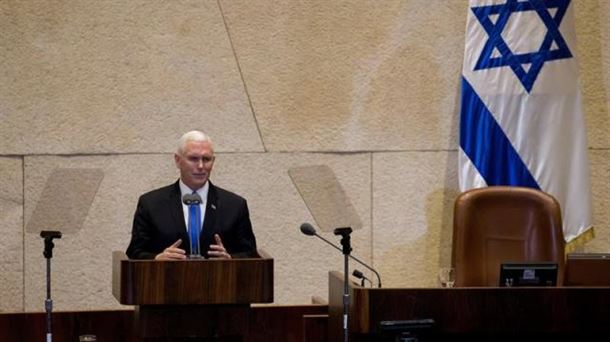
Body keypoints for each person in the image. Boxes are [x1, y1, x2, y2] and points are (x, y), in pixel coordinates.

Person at [126, 130, 257, 260]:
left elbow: (251, 254)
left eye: (206, 159)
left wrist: (230, 260)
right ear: (178, 160)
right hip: (167, 279)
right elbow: (134, 252)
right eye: (193, 159)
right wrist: (157, 259)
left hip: (218, 280)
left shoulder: (234, 205)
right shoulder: (151, 204)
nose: (200, 166)